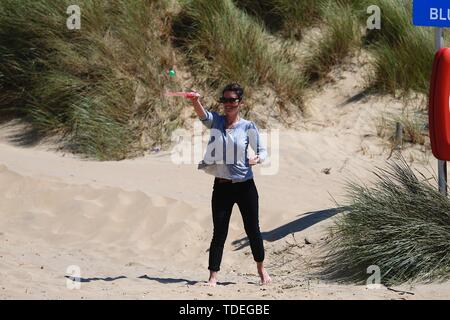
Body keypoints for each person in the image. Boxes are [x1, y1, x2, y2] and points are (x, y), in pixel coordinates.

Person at [187, 83, 272, 286]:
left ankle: (261, 269)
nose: (227, 104)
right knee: (219, 231)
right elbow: (203, 115)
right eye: (224, 100)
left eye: (232, 100)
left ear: (240, 103)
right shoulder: (216, 121)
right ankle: (213, 276)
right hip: (222, 187)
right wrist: (195, 101)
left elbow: (263, 150)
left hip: (245, 186)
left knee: (253, 229)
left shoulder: (248, 126)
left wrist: (257, 158)